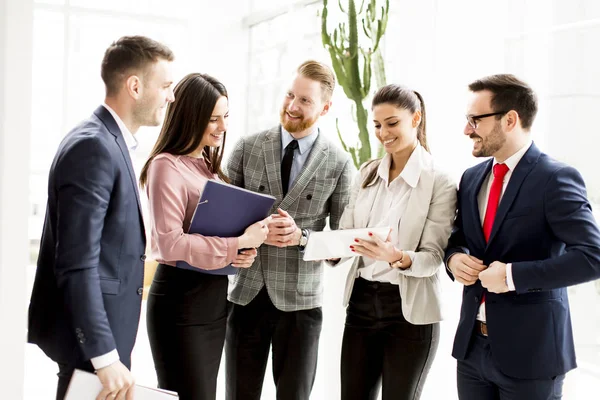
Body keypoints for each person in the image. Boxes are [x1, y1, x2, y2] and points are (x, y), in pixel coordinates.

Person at [27, 35, 175, 400]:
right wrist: (104, 355)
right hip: (90, 350)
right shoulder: (94, 146)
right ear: (135, 86)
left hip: (100, 341)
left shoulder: (109, 141)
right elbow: (77, 263)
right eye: (166, 86)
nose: (171, 96)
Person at [446, 74, 600, 400]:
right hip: (472, 350)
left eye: (475, 120)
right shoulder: (472, 178)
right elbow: (458, 236)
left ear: (510, 119)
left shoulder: (555, 179)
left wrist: (513, 276)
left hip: (533, 354)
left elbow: (592, 256)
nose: (466, 129)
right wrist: (454, 258)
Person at [225, 60, 354, 400]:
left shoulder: (340, 163)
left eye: (305, 100)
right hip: (246, 294)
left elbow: (341, 245)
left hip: (301, 304)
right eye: (289, 95)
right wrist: (247, 236)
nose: (292, 106)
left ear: (325, 107)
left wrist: (302, 238)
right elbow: (220, 220)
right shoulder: (246, 147)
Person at [139, 73, 270, 400]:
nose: (222, 127)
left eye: (225, 116)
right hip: (180, 302)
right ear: (189, 116)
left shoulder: (207, 166)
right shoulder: (165, 166)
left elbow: (212, 238)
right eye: (212, 118)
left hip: (213, 299)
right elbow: (170, 243)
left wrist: (241, 253)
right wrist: (237, 243)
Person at [330, 84, 457, 400]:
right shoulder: (368, 173)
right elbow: (346, 231)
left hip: (408, 311)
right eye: (377, 124)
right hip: (361, 303)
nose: (383, 133)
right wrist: (323, 248)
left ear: (415, 119)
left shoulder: (439, 182)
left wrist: (397, 257)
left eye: (392, 123)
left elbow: (432, 257)